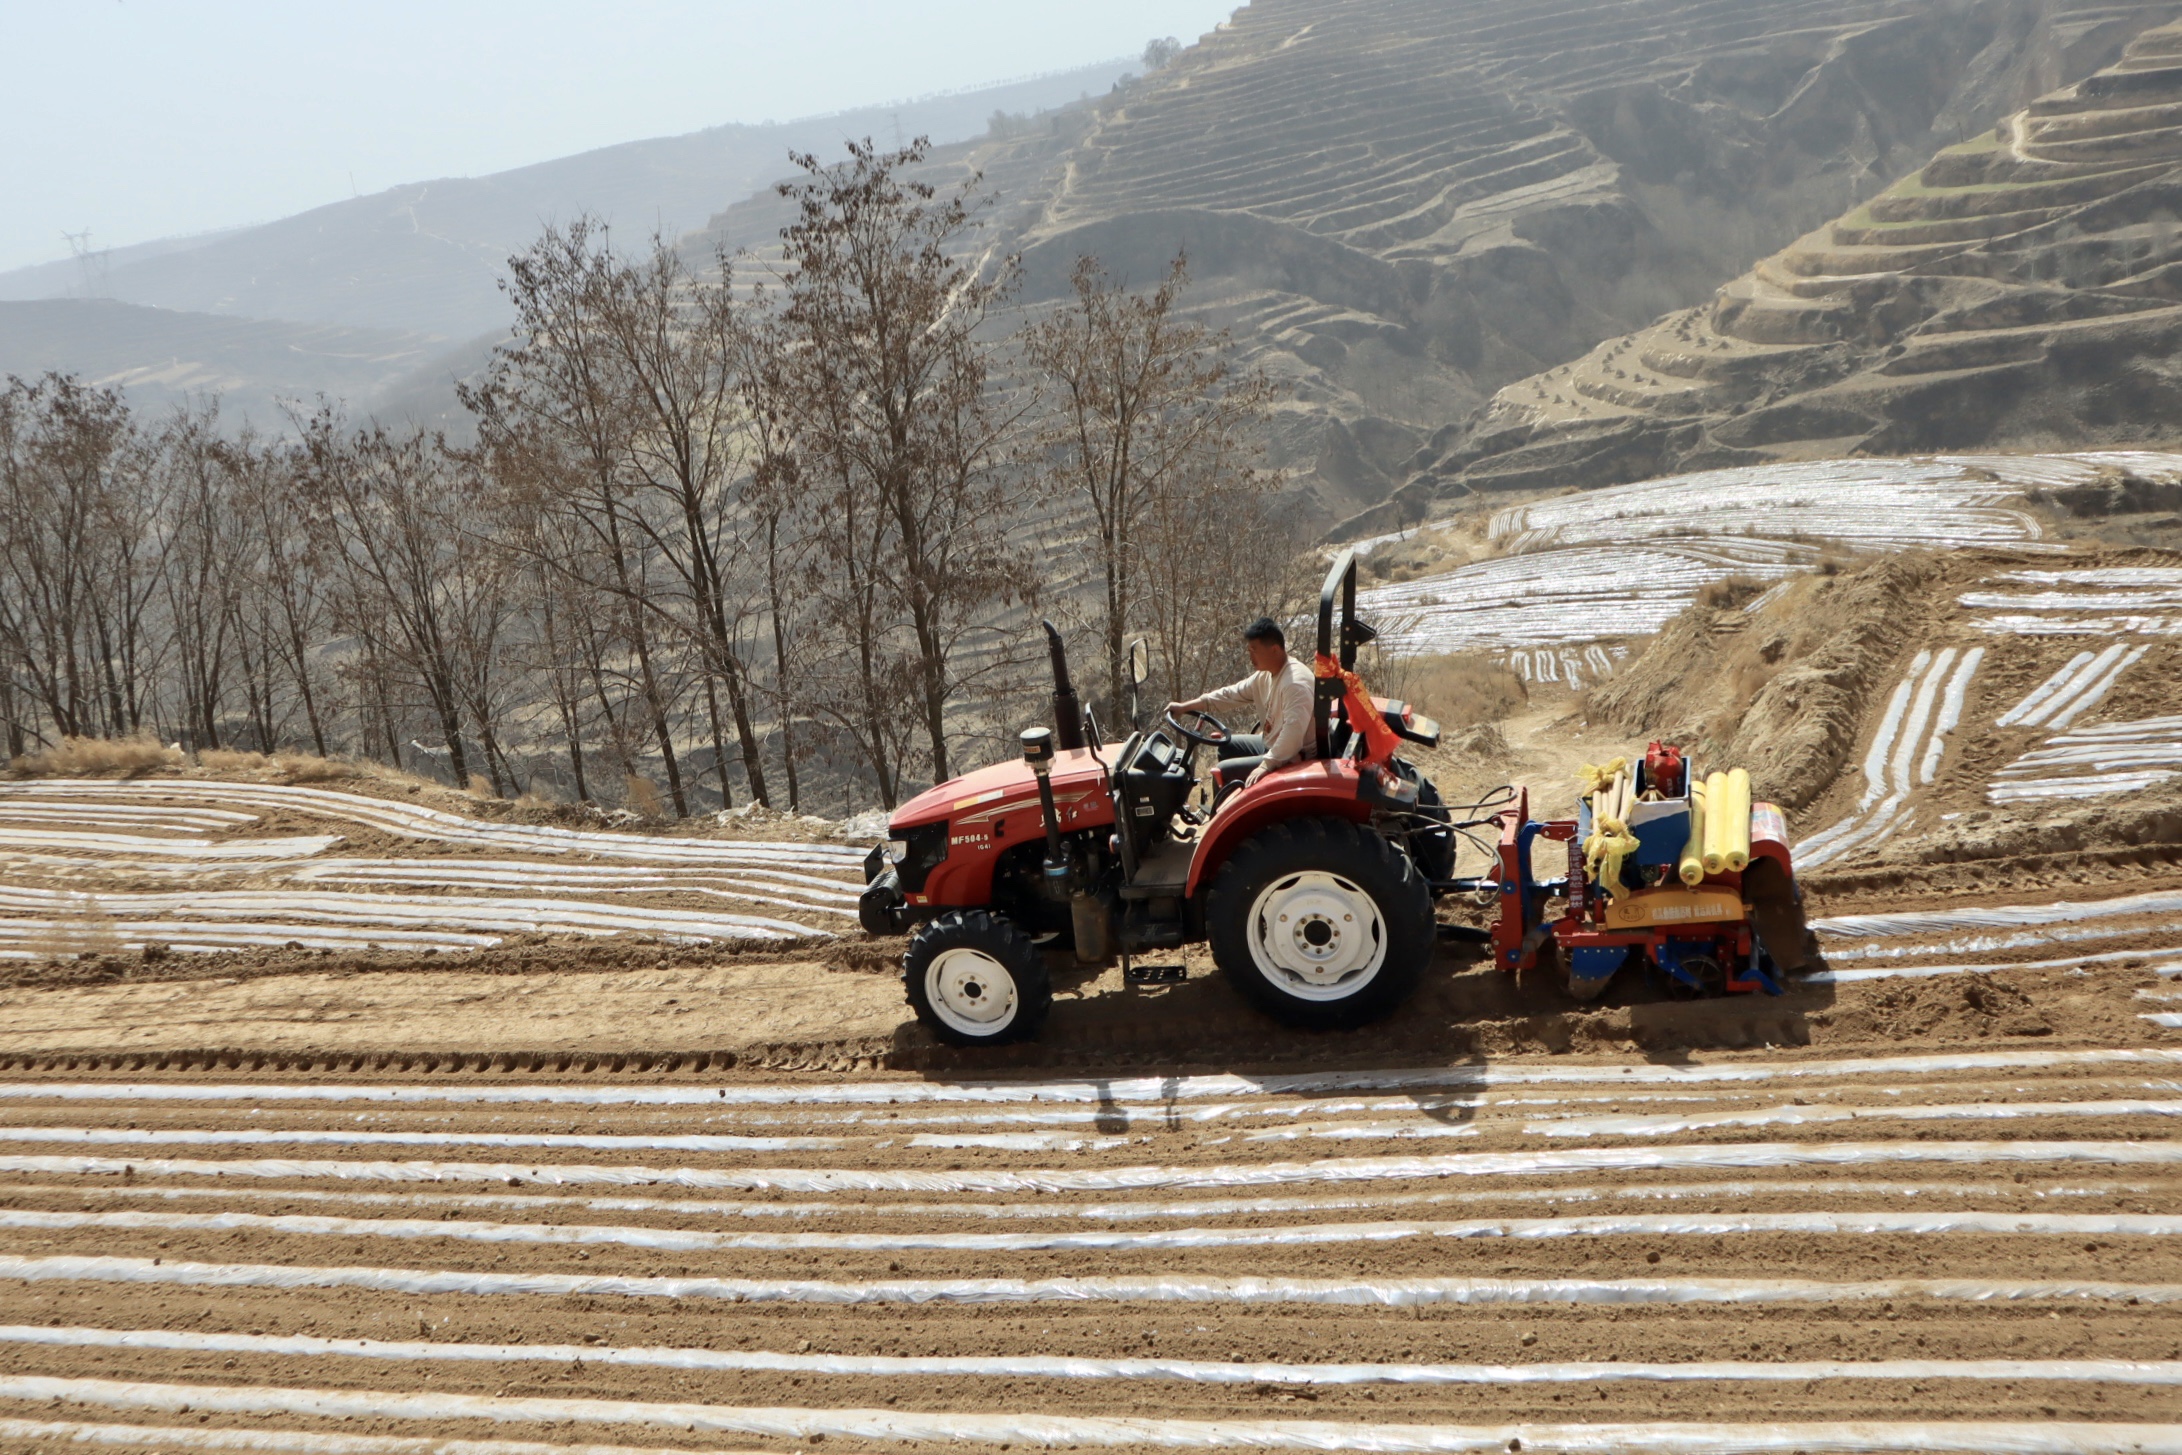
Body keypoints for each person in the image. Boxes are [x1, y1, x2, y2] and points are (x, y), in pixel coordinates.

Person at [1165, 616, 1315, 796]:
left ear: (1274, 649)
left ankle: (1222, 815)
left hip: (1292, 756)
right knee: (1226, 745)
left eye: (1254, 650)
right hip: (1273, 744)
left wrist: (1266, 764)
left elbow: (1293, 733)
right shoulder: (1265, 676)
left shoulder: (1295, 684)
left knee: (1224, 770)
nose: (1250, 655)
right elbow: (1230, 694)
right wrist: (1185, 706)